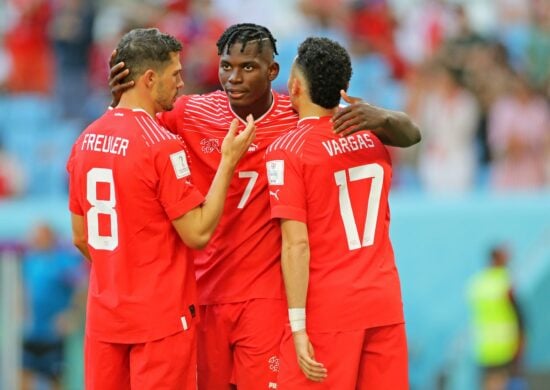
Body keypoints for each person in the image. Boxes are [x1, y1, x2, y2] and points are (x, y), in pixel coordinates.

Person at [109, 23, 421, 389]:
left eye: (248, 68)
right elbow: (135, 127)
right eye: (226, 66)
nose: (234, 78)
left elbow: (409, 134)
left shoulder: (298, 115)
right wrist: (120, 97)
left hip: (266, 297)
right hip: (204, 290)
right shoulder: (192, 113)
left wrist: (382, 116)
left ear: (274, 73)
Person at [67, 28, 255, 390]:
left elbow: (81, 237)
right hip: (161, 320)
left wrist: (123, 267)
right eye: (175, 75)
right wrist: (229, 162)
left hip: (105, 319)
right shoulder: (162, 145)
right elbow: (198, 233)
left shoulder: (85, 140)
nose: (182, 84)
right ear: (150, 79)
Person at [265, 36, 408, 389]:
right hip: (384, 300)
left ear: (295, 86)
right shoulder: (372, 136)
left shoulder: (287, 150)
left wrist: (297, 326)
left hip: (329, 309)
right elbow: (411, 133)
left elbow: (296, 244)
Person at [20, 222, 84, 390]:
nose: (36, 239)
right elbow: (25, 290)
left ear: (50, 237)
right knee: (24, 376)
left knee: (55, 379)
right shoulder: (30, 261)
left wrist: (71, 314)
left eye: (40, 235)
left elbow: (82, 288)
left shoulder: (63, 262)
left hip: (53, 334)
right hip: (32, 332)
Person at [467, 245, 525, 390]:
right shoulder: (505, 281)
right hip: (505, 348)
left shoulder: (477, 283)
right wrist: (521, 339)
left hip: (484, 348)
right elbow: (519, 313)